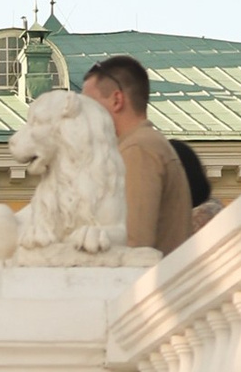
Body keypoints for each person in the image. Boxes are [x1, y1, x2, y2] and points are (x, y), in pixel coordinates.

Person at [80, 54, 194, 254]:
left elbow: (134, 244)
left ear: (117, 100)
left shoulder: (138, 150)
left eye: (89, 106)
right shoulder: (139, 146)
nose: (83, 116)